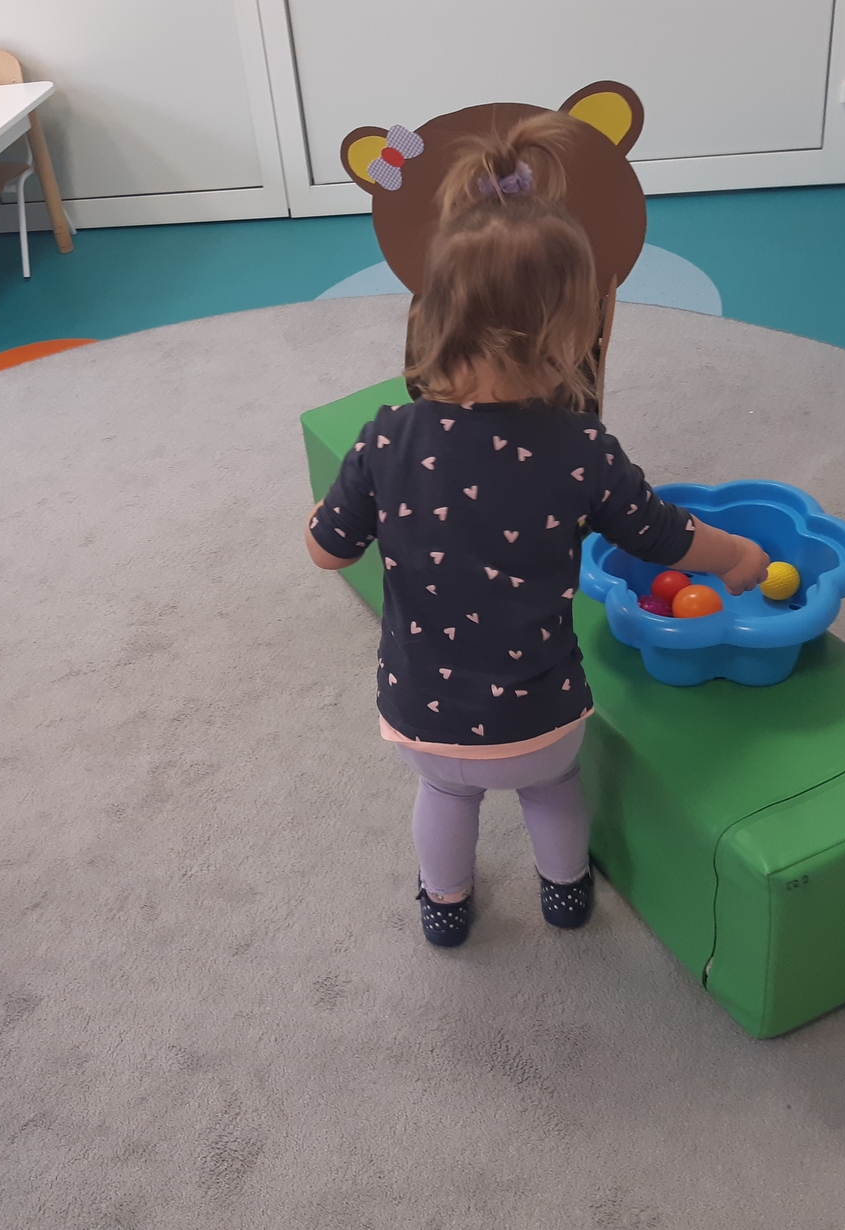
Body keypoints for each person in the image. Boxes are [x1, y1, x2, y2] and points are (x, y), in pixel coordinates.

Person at [304, 128, 768, 947]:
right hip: (541, 716)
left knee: (444, 796)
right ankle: (566, 894)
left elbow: (327, 551)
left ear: (432, 315)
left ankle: (445, 906)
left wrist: (323, 515)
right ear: (566, 332)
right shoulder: (583, 450)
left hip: (424, 716)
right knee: (553, 791)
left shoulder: (385, 440)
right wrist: (733, 556)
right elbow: (661, 536)